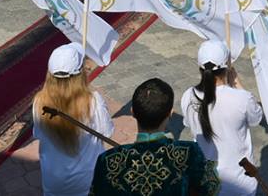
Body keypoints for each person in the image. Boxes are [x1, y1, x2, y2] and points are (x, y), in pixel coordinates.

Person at [91, 78, 221, 195]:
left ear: (133, 113)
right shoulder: (189, 153)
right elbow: (212, 187)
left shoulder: (108, 161)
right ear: (170, 114)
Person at [180, 41, 264, 196]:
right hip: (240, 183)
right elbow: (257, 118)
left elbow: (188, 123)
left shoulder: (187, 96)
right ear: (227, 67)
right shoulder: (242, 99)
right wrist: (237, 83)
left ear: (199, 67)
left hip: (205, 181)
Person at [33, 44, 114, 196]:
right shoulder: (94, 101)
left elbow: (39, 134)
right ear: (80, 74)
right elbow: (108, 132)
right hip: (88, 180)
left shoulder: (39, 102)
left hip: (53, 181)